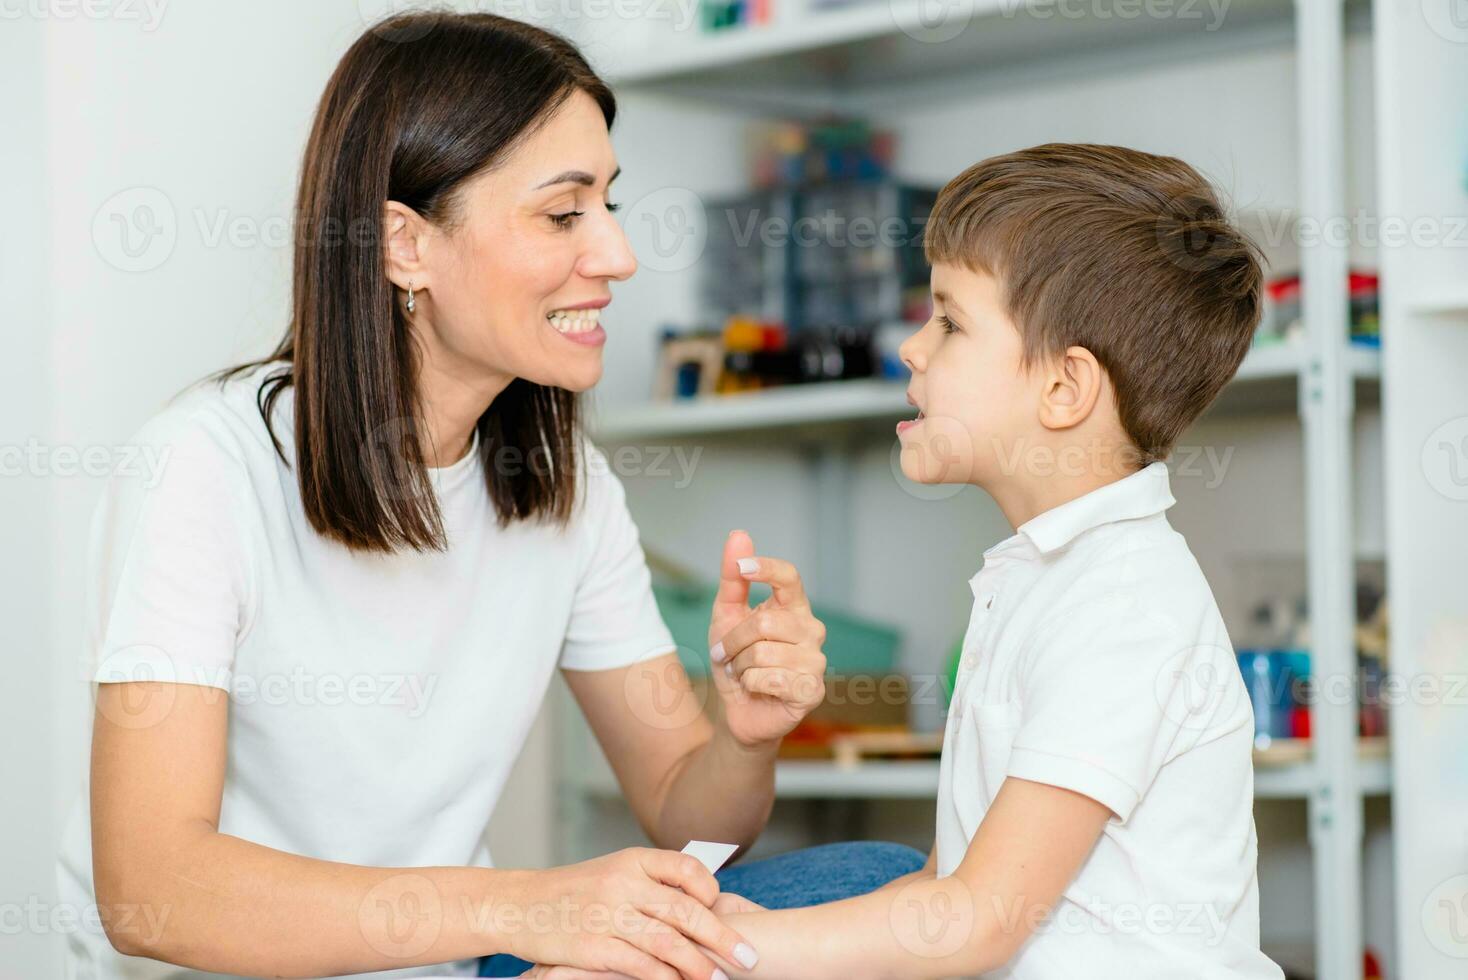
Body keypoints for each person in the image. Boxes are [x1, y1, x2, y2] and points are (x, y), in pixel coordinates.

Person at [57, 12, 921, 980]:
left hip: (466, 960)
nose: (617, 257)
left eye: (609, 205)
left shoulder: (563, 488)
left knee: (882, 878)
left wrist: (748, 735)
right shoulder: (202, 469)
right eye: (564, 214)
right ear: (404, 246)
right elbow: (152, 887)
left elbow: (685, 806)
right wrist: (536, 905)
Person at [681, 144, 1287, 979]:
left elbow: (976, 921)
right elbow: (944, 885)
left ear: (1065, 390)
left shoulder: (1123, 604)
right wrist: (727, 932)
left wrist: (724, 952)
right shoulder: (1040, 579)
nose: (911, 349)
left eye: (950, 322)